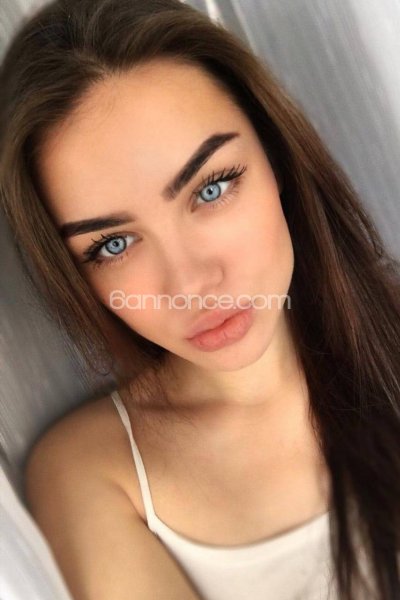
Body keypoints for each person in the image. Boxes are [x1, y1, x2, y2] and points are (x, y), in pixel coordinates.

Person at [0, 0, 399, 599]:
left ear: (275, 154)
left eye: (211, 188)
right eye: (113, 245)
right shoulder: (100, 473)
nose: (190, 284)